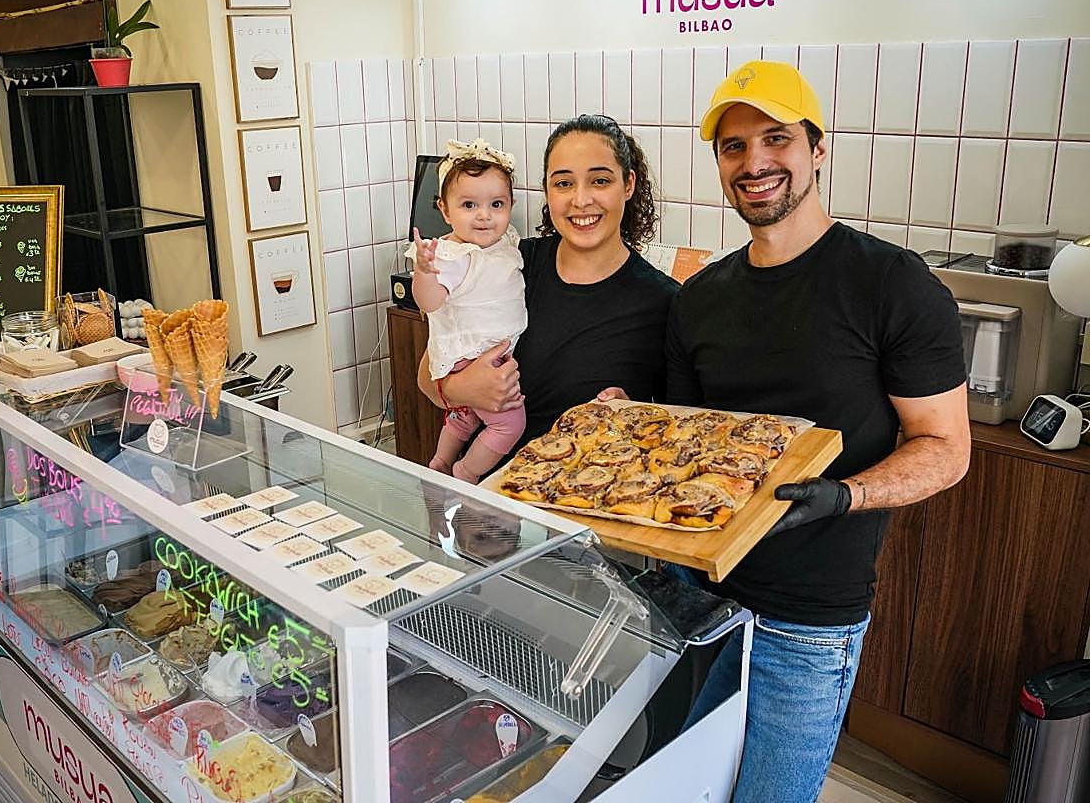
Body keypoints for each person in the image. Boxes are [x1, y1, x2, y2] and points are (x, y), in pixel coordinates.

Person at [665, 61, 972, 802]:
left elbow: (946, 448)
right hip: (701, 599)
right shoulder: (699, 299)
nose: (755, 162)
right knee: (682, 787)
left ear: (817, 148)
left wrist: (843, 497)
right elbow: (686, 441)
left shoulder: (892, 284)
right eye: (733, 147)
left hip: (807, 622)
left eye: (776, 139)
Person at [416, 115, 678, 455]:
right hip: (486, 496)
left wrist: (633, 418)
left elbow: (674, 430)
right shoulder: (509, 265)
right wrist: (461, 389)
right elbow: (426, 378)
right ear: (547, 191)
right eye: (564, 183)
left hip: (581, 499)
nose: (581, 200)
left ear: (628, 185)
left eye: (600, 181)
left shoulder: (664, 302)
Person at [407, 138, 527, 484]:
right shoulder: (454, 255)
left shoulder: (504, 244)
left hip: (484, 355)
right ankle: (465, 474)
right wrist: (424, 273)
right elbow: (429, 303)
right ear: (445, 211)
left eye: (496, 204)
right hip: (468, 354)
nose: (484, 215)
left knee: (468, 415)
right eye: (469, 205)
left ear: (510, 205)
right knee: (509, 423)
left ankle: (442, 460)